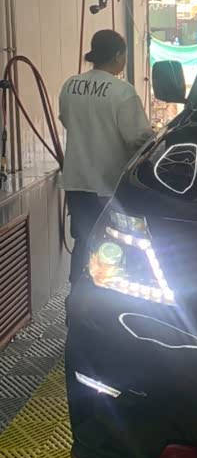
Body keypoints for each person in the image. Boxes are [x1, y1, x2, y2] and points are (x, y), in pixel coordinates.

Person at [59, 30, 153, 285]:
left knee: (83, 240)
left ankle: (77, 293)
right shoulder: (123, 92)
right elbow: (140, 139)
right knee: (113, 244)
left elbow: (67, 121)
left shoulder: (70, 86)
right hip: (110, 184)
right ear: (118, 55)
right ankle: (103, 297)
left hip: (76, 182)